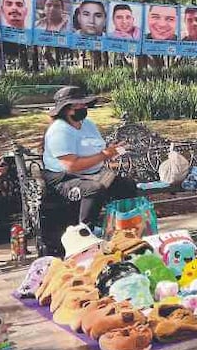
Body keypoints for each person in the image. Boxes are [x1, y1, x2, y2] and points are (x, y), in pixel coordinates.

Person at [42, 87, 138, 247]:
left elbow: (98, 150)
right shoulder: (59, 131)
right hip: (64, 179)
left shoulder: (87, 124)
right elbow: (71, 165)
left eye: (85, 104)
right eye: (80, 105)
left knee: (126, 185)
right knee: (94, 189)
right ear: (67, 109)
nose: (84, 108)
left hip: (94, 173)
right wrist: (105, 155)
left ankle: (124, 232)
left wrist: (116, 150)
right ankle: (85, 237)